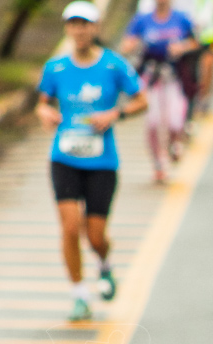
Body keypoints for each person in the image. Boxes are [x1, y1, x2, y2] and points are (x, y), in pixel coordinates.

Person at [37, 1, 147, 322]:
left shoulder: (114, 66)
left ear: (95, 28)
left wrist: (115, 113)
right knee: (70, 227)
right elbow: (42, 103)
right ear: (67, 29)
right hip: (64, 158)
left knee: (95, 236)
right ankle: (79, 295)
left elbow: (142, 100)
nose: (79, 30)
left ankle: (104, 265)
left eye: (85, 24)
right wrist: (45, 112)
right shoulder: (55, 68)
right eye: (73, 24)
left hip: (102, 162)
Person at [120, 0, 198, 183]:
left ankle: (174, 144)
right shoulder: (142, 20)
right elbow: (126, 44)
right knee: (153, 123)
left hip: (174, 76)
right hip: (151, 77)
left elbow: (195, 42)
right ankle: (158, 164)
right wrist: (136, 45)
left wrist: (182, 47)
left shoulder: (181, 19)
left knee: (175, 120)